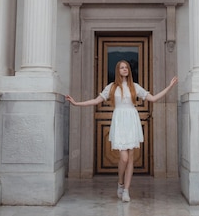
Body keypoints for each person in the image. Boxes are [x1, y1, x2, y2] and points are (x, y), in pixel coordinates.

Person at [66, 60, 178, 203]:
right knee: (123, 158)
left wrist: (169, 86)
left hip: (132, 121)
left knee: (130, 157)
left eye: (126, 67)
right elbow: (95, 101)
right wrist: (76, 103)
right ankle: (120, 182)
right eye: (122, 67)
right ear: (118, 70)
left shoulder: (134, 87)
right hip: (119, 122)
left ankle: (126, 190)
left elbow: (154, 98)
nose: (125, 69)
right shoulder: (112, 87)